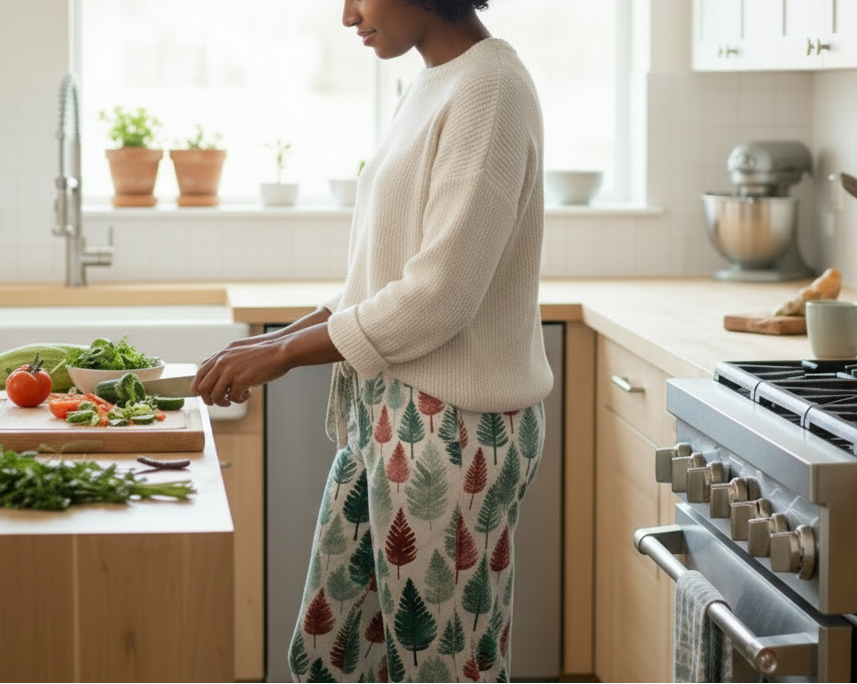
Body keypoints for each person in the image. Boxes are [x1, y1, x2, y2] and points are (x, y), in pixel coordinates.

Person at [191, 0, 553, 680]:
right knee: (332, 653)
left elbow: (439, 296)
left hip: (453, 433)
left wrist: (282, 353)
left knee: (442, 666)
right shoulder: (432, 81)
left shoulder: (490, 88)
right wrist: (273, 343)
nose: (347, 14)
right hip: (384, 419)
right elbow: (382, 278)